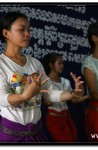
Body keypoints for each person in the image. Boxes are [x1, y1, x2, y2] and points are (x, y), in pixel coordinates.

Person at [0, 11, 84, 142]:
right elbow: (2, 98)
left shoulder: (35, 63)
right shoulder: (2, 63)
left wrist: (71, 94)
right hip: (11, 136)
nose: (27, 34)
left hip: (37, 132)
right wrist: (24, 96)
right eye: (22, 29)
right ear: (6, 33)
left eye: (28, 30)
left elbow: (49, 93)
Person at [41, 52, 89, 142]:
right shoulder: (45, 82)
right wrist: (47, 99)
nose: (62, 65)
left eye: (62, 63)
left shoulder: (65, 81)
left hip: (66, 117)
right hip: (53, 119)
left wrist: (83, 92)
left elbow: (74, 100)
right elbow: (47, 103)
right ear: (51, 65)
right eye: (59, 63)